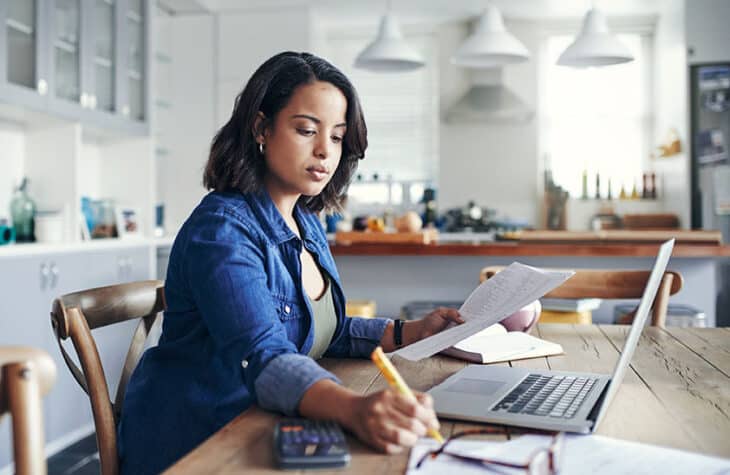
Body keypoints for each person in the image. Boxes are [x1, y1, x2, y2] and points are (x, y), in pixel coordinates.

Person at [117, 51, 465, 475]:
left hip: (262, 424)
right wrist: (354, 408)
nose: (324, 151)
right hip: (200, 442)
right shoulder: (222, 231)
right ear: (261, 127)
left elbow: (318, 330)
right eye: (306, 130)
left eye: (337, 137)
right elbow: (264, 354)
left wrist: (408, 332)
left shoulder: (306, 221)